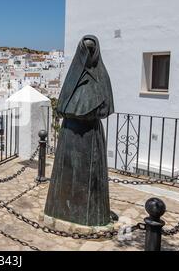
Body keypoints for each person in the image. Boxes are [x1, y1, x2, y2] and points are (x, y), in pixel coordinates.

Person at [44, 35, 114, 226]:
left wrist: (86, 109)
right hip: (69, 134)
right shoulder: (72, 78)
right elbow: (63, 105)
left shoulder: (101, 77)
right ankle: (61, 209)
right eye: (86, 50)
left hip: (90, 135)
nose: (88, 54)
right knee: (66, 176)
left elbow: (106, 107)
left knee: (89, 179)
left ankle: (91, 215)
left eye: (92, 50)